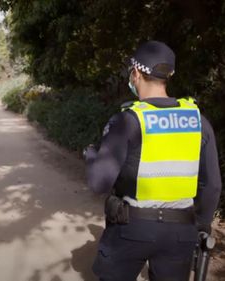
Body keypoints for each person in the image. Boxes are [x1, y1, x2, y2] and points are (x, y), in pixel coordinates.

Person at [84, 41, 222, 281]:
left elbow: (99, 183)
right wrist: (201, 225)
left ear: (136, 73)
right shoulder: (198, 120)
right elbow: (212, 186)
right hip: (180, 233)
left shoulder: (129, 121)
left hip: (131, 229)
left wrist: (91, 155)